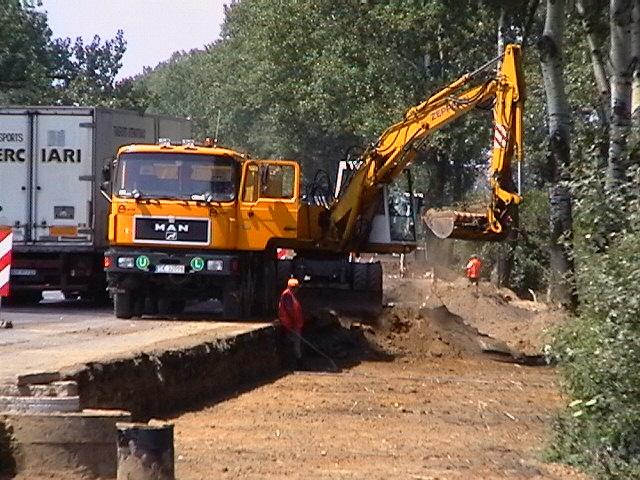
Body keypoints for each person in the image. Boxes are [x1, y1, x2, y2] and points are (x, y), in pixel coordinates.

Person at [278, 278, 304, 366]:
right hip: (290, 324)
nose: (297, 290)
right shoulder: (287, 295)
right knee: (295, 344)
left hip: (293, 324)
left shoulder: (290, 295)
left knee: (295, 343)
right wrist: (293, 323)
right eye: (296, 288)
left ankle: (296, 362)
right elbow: (289, 310)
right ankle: (297, 363)